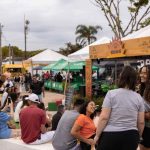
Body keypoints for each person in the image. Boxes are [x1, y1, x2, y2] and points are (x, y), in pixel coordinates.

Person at [94, 66, 145, 150]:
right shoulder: (138, 97)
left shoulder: (111, 94)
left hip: (110, 135)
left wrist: (97, 135)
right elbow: (141, 122)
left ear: (121, 77)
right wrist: (137, 136)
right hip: (131, 136)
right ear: (134, 80)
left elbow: (104, 117)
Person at [139, 65, 150, 150]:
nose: (141, 75)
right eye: (141, 72)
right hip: (144, 126)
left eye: (145, 73)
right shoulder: (143, 88)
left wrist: (138, 113)